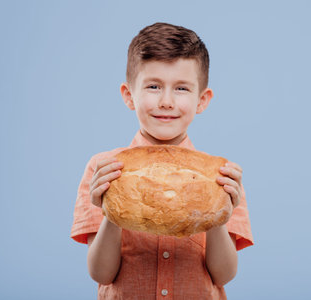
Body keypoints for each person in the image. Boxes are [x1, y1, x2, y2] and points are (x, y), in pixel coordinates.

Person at [71, 22, 253, 299]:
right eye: (154, 86)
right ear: (129, 95)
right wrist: (111, 209)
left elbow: (224, 275)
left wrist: (219, 213)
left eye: (181, 89)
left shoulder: (221, 176)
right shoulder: (104, 168)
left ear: (202, 100)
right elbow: (101, 273)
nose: (166, 101)